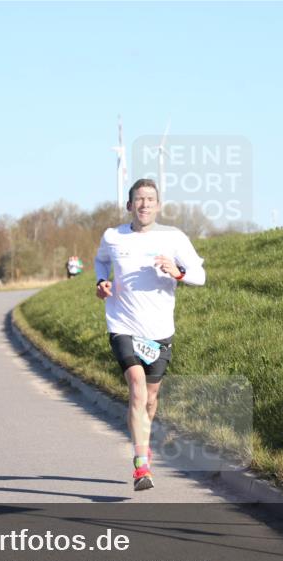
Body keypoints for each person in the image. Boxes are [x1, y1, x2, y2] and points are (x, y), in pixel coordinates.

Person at [94, 178, 206, 491]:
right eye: (139, 199)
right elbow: (101, 260)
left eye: (150, 199)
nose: (144, 204)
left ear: (158, 206)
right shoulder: (113, 236)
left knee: (151, 400)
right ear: (130, 205)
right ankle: (141, 466)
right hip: (123, 325)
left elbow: (200, 274)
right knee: (137, 389)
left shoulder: (174, 238)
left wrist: (178, 272)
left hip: (159, 332)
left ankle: (144, 442)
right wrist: (101, 282)